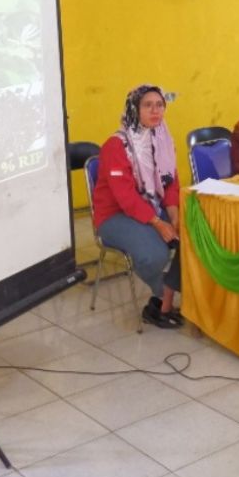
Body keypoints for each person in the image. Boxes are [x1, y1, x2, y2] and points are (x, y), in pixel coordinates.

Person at [92, 85, 183, 329]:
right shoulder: (116, 145)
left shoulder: (162, 139)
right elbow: (126, 198)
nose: (155, 110)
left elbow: (171, 182)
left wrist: (173, 215)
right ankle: (162, 299)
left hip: (151, 205)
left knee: (193, 233)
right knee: (155, 254)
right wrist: (158, 222)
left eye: (160, 105)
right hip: (115, 216)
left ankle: (169, 297)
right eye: (147, 105)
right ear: (134, 108)